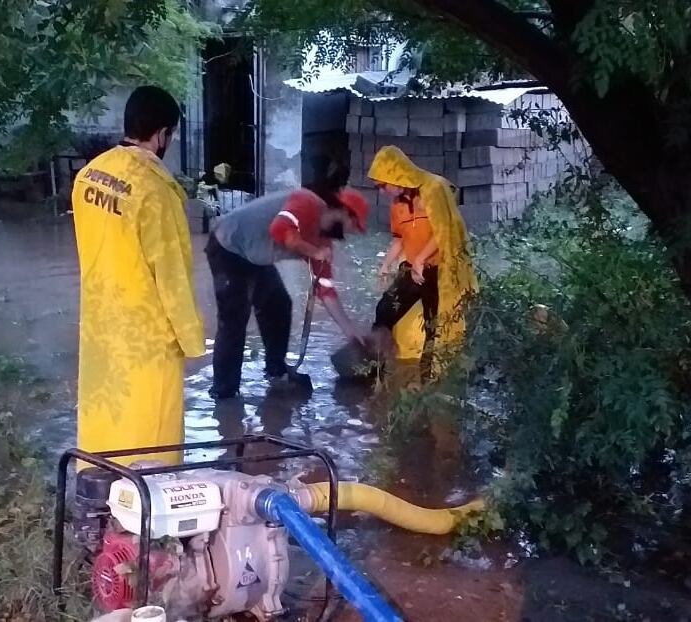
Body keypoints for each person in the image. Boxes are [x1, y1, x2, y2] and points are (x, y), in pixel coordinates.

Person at [71, 85, 205, 466]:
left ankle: (98, 499)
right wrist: (193, 341)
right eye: (170, 135)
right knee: (151, 439)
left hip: (100, 327)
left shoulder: (89, 176)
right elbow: (173, 275)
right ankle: (147, 513)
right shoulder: (155, 190)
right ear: (162, 133)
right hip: (147, 339)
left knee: (104, 425)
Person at [206, 182, 370, 400]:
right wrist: (314, 251)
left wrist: (350, 330)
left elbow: (326, 289)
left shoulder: (323, 242)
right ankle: (224, 393)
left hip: (255, 255)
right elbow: (280, 230)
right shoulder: (307, 203)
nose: (350, 232)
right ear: (342, 211)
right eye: (352, 225)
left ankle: (277, 371)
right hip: (228, 246)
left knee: (278, 304)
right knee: (234, 318)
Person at [368, 145, 478, 382]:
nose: (382, 191)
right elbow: (399, 239)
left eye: (382, 185)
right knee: (384, 310)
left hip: (438, 270)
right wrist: (385, 266)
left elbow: (444, 229)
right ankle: (374, 372)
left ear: (396, 175)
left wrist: (420, 260)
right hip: (412, 268)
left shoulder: (434, 188)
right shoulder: (397, 205)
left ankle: (429, 381)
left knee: (434, 326)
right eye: (378, 186)